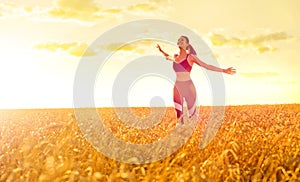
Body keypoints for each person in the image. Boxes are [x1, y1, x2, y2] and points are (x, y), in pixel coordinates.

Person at [156, 35, 236, 125]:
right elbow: (167, 56)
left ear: (187, 44)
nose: (180, 41)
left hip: (188, 86)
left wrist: (223, 70)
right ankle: (181, 130)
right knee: (178, 111)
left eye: (183, 40)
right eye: (179, 40)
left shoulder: (190, 57)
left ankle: (195, 127)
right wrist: (161, 50)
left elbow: (206, 66)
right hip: (177, 86)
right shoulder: (175, 57)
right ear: (177, 43)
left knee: (192, 113)